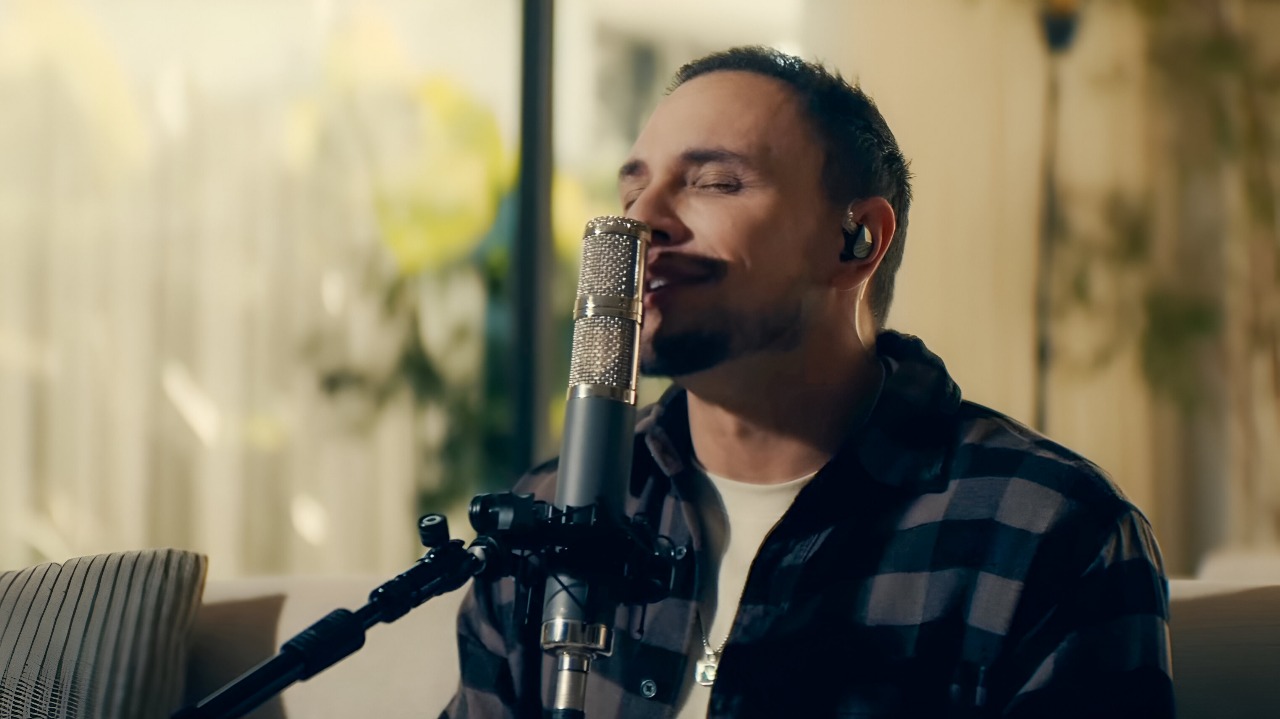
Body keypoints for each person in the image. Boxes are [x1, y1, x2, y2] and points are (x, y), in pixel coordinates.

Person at [441, 46, 1173, 718]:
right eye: (632, 191)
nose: (642, 222)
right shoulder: (550, 517)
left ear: (857, 242)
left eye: (715, 182)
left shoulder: (1047, 534)